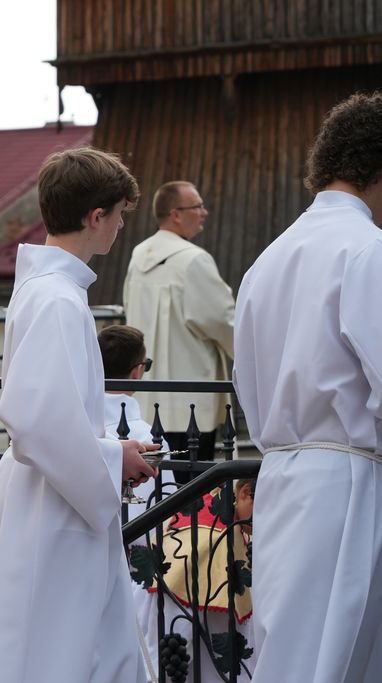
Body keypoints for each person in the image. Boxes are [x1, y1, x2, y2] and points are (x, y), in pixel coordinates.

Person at [0, 147, 158, 683]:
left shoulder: (49, 290)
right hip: (54, 500)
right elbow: (36, 419)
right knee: (57, 645)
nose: (121, 226)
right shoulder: (57, 299)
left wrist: (104, 454)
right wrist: (111, 456)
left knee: (61, 637)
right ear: (95, 217)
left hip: (53, 489)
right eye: (119, 214)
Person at [233, 91, 382, 682]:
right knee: (336, 659)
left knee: (286, 652)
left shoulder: (266, 260)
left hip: (281, 475)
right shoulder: (366, 250)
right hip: (348, 479)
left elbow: (245, 379)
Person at [123, 181, 235, 467]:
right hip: (190, 403)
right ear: (175, 214)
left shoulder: (138, 256)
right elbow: (223, 321)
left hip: (148, 399)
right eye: (197, 206)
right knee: (192, 496)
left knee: (158, 490)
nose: (204, 212)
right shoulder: (193, 260)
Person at [143, 479, 256, 682]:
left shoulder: (216, 506)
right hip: (174, 611)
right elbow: (178, 626)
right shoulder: (214, 533)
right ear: (245, 493)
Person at [98, 323, 175, 520]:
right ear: (137, 372)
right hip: (140, 545)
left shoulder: (74, 426)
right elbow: (164, 506)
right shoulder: (148, 436)